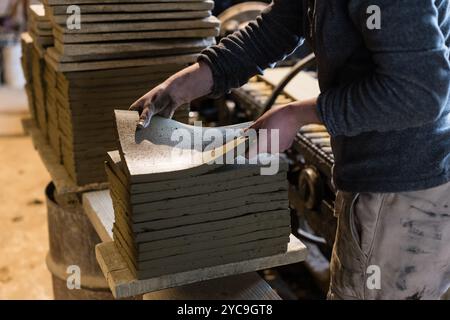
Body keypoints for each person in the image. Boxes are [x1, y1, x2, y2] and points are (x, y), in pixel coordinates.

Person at [129, 0, 450, 299]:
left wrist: (296, 114)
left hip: (405, 191)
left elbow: (419, 93)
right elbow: (278, 27)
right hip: (374, 175)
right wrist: (181, 86)